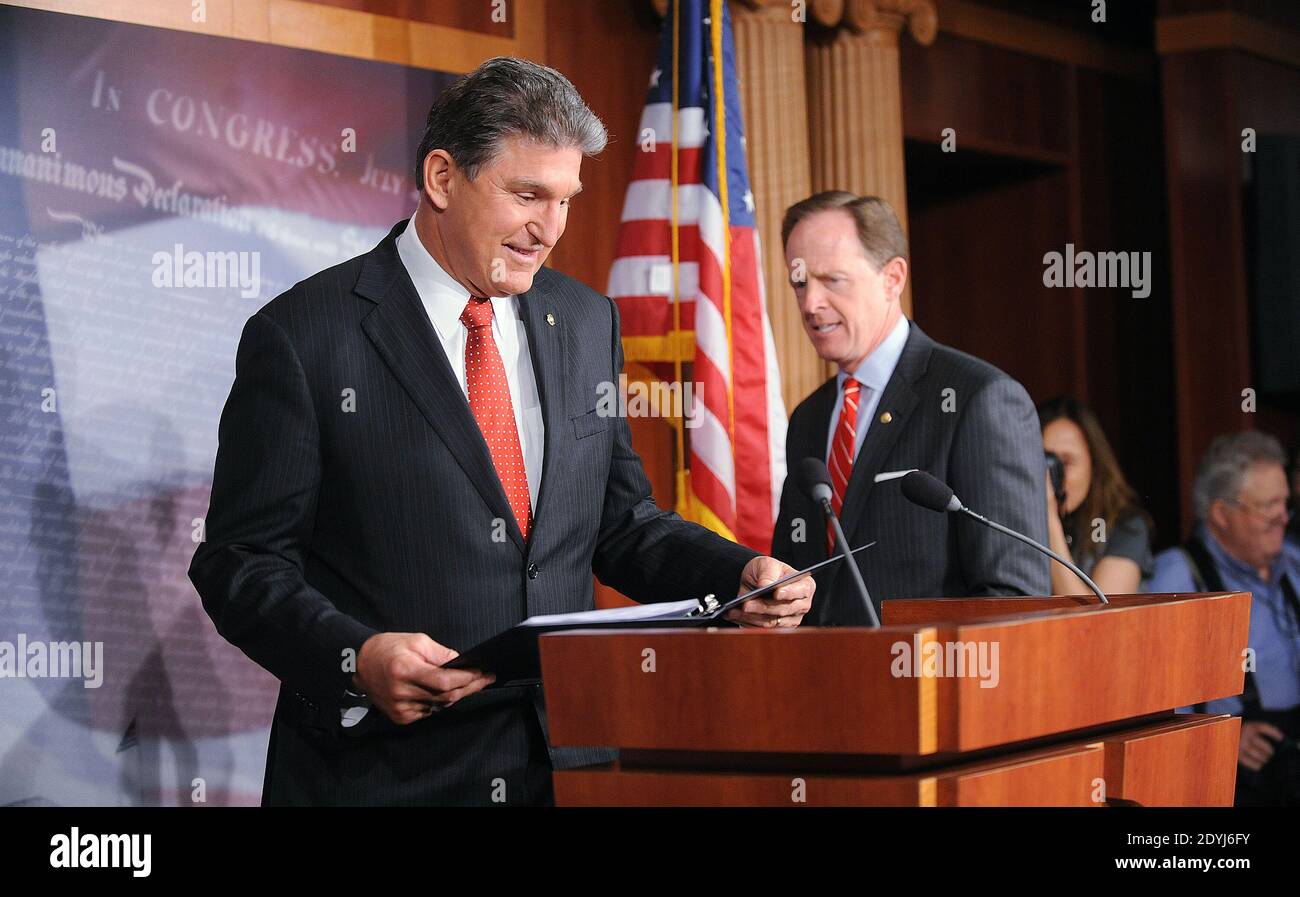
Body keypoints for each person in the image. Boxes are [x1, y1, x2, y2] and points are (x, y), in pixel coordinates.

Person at [189, 57, 813, 806]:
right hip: (382, 776)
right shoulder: (305, 335)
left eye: (565, 200)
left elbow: (619, 523)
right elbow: (240, 563)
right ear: (444, 177)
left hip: (564, 767)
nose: (548, 228)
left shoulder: (586, 321)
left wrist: (732, 576)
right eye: (527, 195)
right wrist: (356, 657)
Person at [770, 191, 1049, 625]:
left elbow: (1013, 598)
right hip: (818, 683)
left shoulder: (979, 398)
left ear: (893, 277)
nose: (810, 304)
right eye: (800, 282)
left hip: (927, 682)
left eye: (832, 281)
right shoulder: (808, 418)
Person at [1148, 431, 1300, 806]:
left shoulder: (1293, 563)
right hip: (1235, 784)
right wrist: (1223, 741)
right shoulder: (1178, 577)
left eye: (1286, 502)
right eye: (1269, 506)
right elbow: (1156, 707)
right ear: (1221, 514)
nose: (1285, 517)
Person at [1038, 395, 1153, 595]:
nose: (1054, 476)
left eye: (1065, 462)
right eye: (1045, 461)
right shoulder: (1014, 526)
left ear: (1094, 464)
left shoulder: (1125, 526)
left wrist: (1049, 520)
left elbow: (1096, 619)